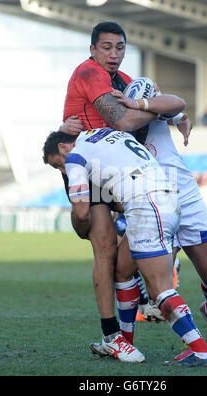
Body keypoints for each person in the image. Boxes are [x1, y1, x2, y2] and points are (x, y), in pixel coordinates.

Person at [43, 128, 207, 367]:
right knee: (122, 271)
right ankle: (124, 341)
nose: (62, 170)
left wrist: (80, 225)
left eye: (57, 164)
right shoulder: (108, 134)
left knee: (159, 289)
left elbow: (82, 213)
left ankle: (201, 351)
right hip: (164, 199)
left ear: (63, 147)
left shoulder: (75, 156)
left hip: (147, 208)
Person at [59, 22, 167, 347]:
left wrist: (174, 113)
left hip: (114, 172)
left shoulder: (125, 82)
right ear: (93, 50)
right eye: (106, 47)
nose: (114, 53)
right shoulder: (88, 72)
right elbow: (124, 120)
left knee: (126, 242)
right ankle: (111, 336)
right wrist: (154, 110)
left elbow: (162, 100)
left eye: (119, 47)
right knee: (103, 248)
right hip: (87, 170)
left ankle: (141, 287)